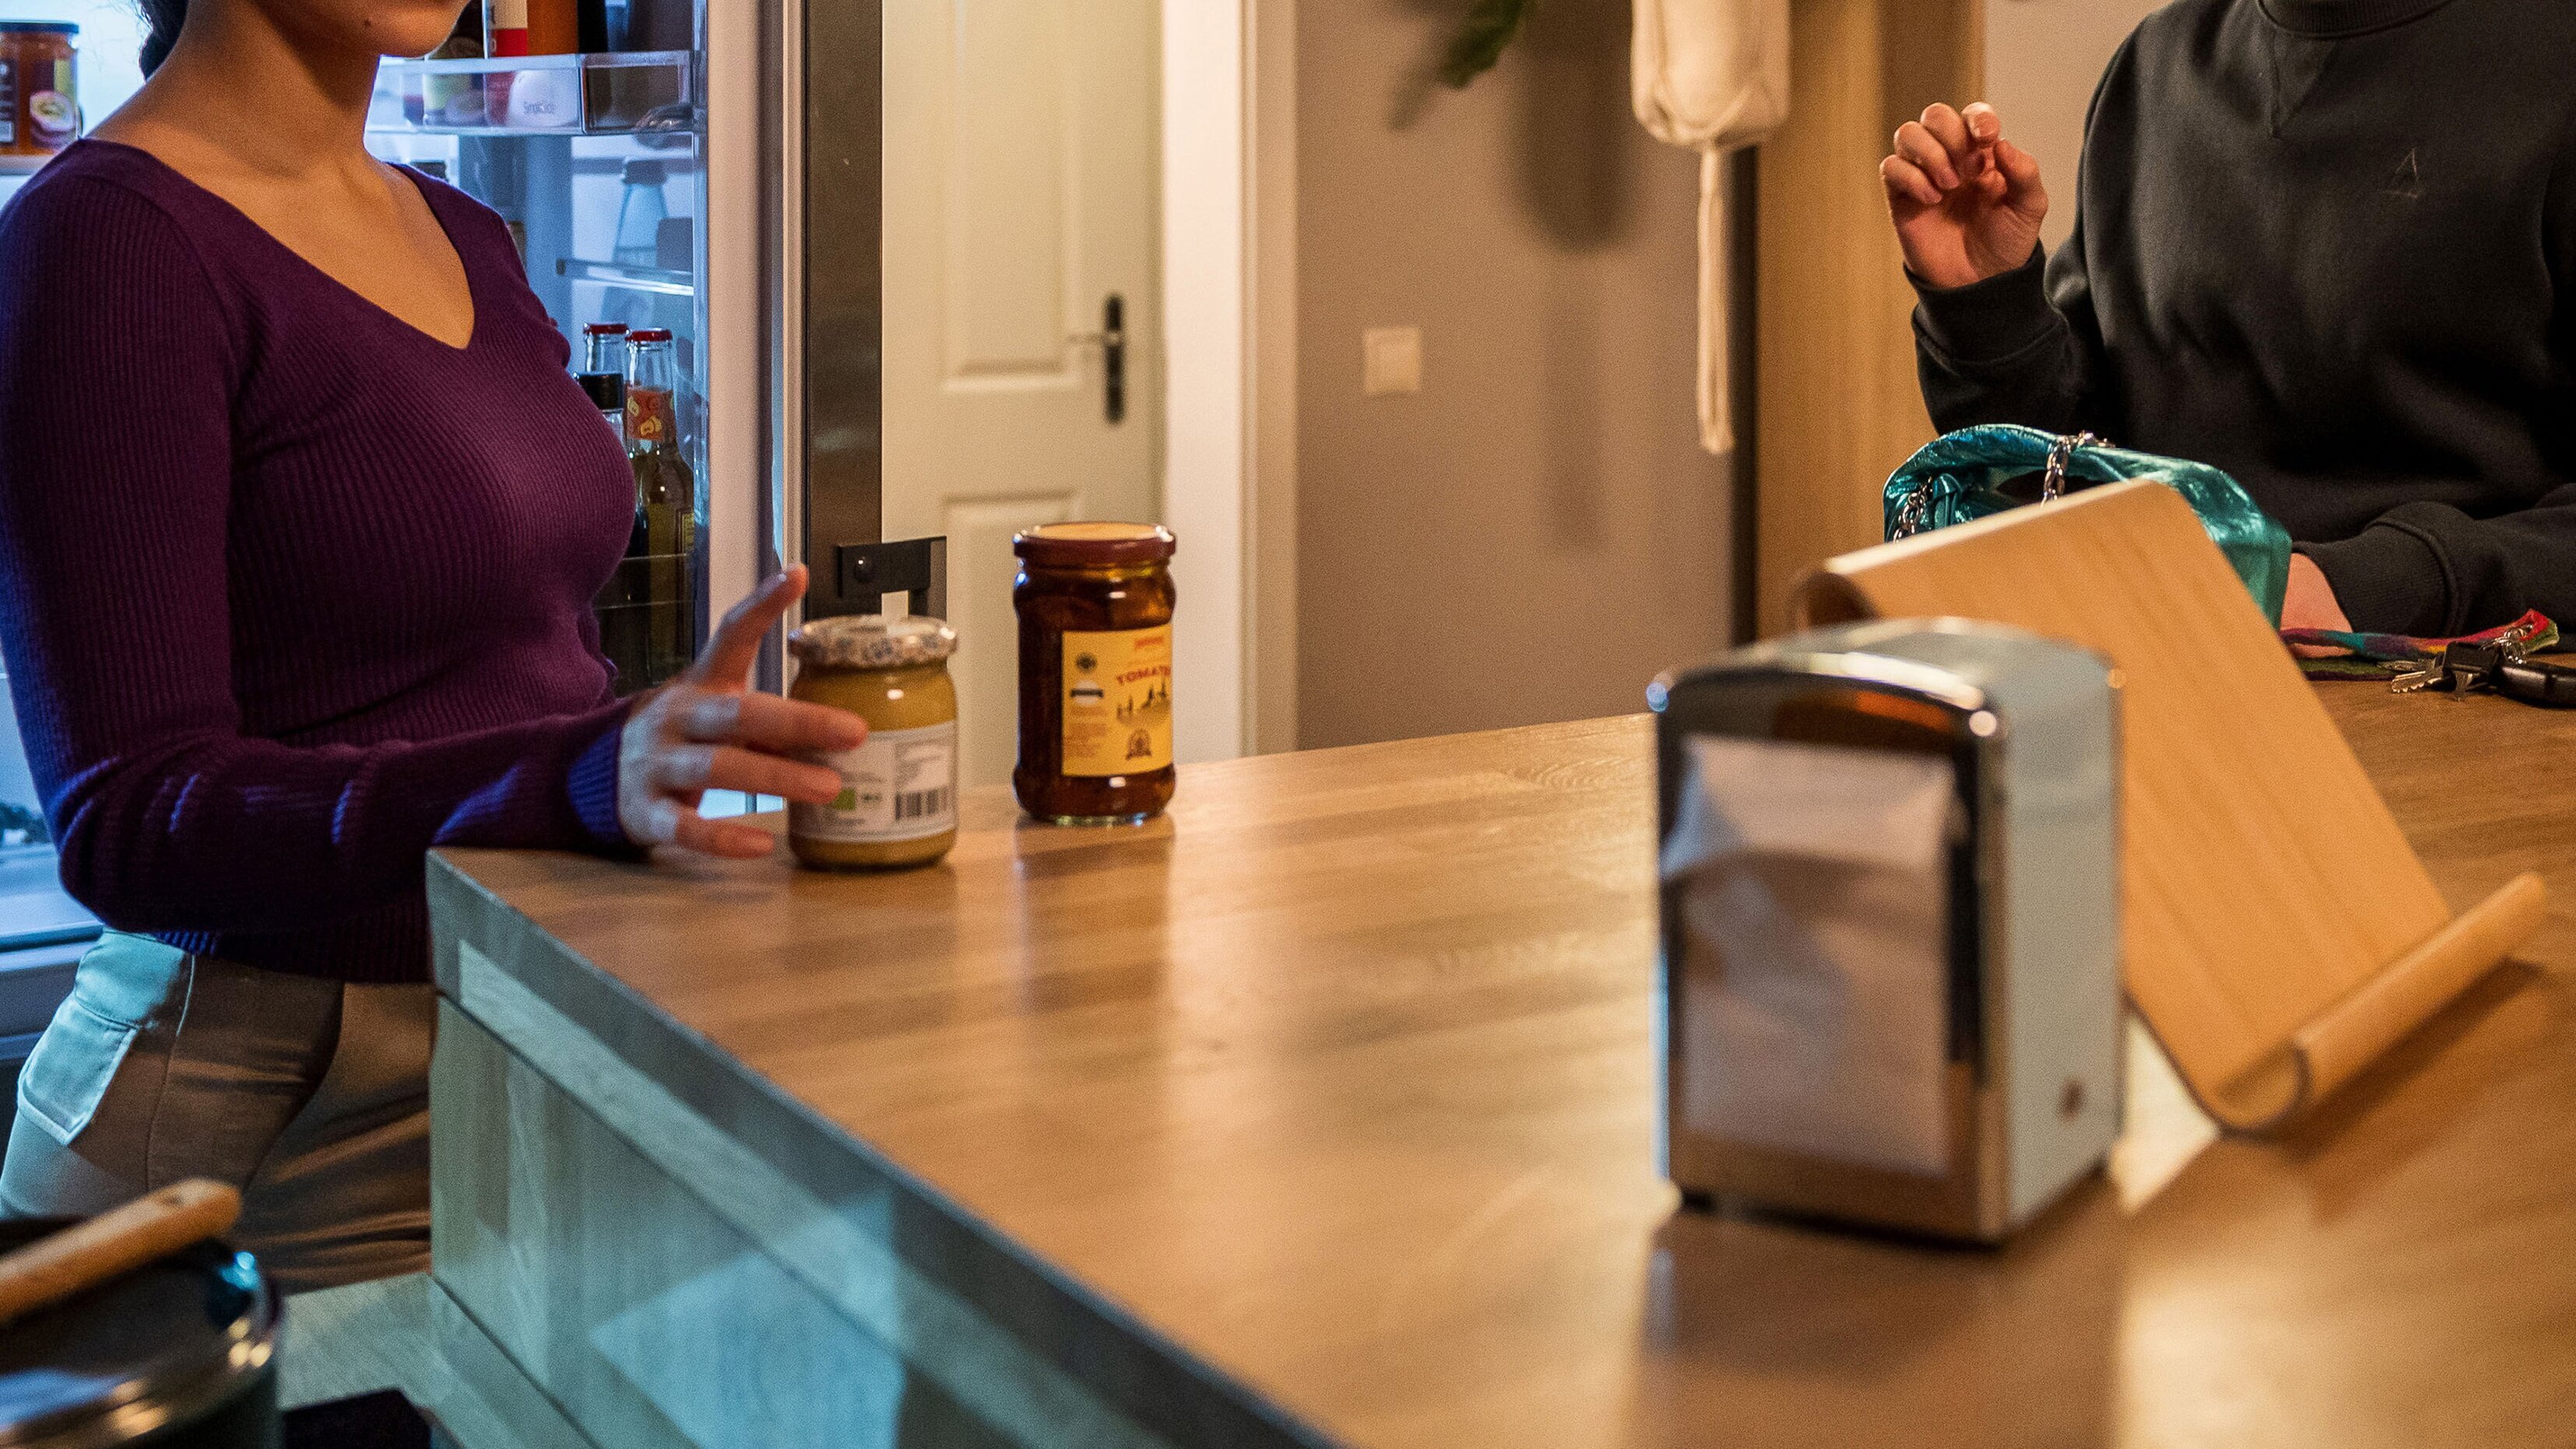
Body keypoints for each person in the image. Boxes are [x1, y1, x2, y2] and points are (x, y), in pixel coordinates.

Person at [0, 0, 863, 1291]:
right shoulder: (107, 241)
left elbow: (507, 657)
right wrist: (570, 777)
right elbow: (129, 821)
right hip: (259, 1115)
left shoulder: (460, 230)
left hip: (516, 1005)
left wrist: (647, 765)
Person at [1879, 0, 2576, 636]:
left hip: (2450, 686)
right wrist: (1985, 304)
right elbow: (2074, 466)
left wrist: (2358, 586)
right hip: (2167, 649)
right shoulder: (2154, 64)